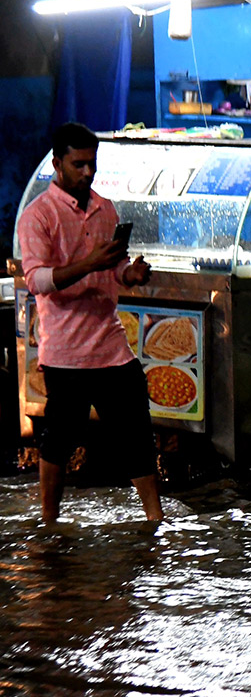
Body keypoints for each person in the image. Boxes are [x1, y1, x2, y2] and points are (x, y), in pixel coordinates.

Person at [17, 122, 162, 525]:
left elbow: (112, 270)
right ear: (57, 164)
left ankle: (154, 518)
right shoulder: (38, 216)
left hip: (111, 346)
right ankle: (49, 521)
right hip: (65, 353)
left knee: (136, 434)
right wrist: (89, 264)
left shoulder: (105, 208)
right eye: (78, 164)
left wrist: (128, 274)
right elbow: (38, 280)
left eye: (91, 164)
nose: (87, 173)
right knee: (59, 440)